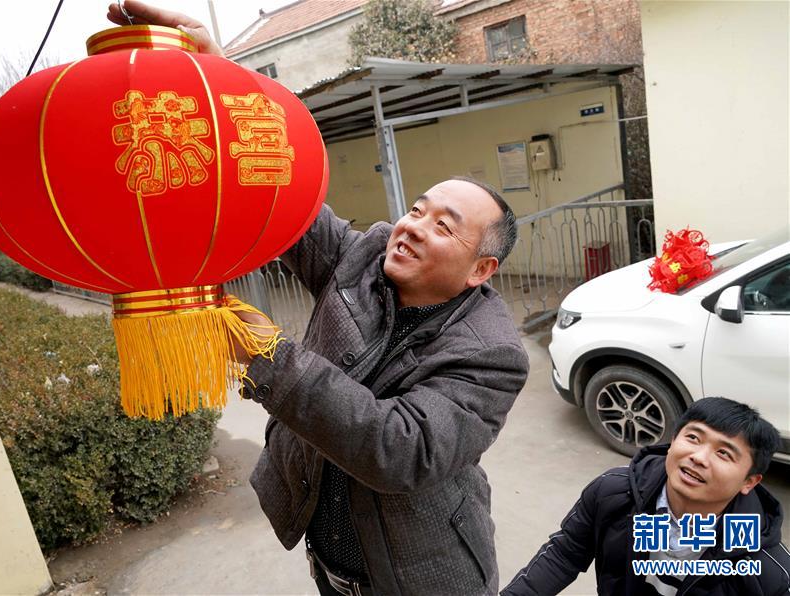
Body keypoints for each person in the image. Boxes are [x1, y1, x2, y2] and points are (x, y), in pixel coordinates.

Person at [108, 4, 529, 594]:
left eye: (443, 225)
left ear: (480, 269)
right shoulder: (362, 258)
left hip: (419, 572)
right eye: (417, 209)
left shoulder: (492, 356)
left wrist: (269, 356)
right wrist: (217, 73)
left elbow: (399, 450)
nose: (412, 226)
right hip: (329, 558)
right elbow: (287, 200)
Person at [502, 397, 790, 596]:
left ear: (749, 481)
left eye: (723, 453)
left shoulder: (767, 568)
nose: (699, 457)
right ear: (672, 441)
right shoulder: (612, 492)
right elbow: (564, 555)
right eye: (693, 438)